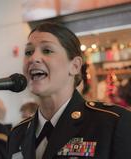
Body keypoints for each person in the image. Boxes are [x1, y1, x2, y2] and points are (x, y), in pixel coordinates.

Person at [7, 22, 131, 159]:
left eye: (47, 50)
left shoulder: (112, 123)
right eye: (28, 52)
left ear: (75, 66)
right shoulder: (18, 134)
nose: (33, 58)